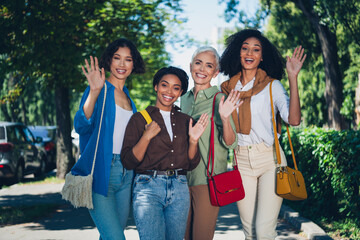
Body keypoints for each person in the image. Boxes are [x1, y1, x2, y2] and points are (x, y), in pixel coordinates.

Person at [219, 29, 306, 239]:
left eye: (256, 49)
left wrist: (293, 77)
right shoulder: (228, 89)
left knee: (264, 229)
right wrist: (223, 117)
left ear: (262, 56)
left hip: (270, 160)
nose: (250, 53)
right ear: (237, 53)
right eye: (245, 48)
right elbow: (229, 140)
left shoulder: (272, 86)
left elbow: (293, 120)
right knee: (249, 231)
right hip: (241, 161)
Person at [121, 66, 208, 240]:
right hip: (147, 188)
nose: (169, 91)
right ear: (156, 87)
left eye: (176, 88)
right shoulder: (139, 118)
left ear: (181, 92)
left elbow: (191, 164)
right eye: (164, 85)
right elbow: (128, 162)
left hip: (179, 188)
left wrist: (193, 141)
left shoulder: (186, 121)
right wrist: (146, 136)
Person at [72, 38, 145, 240]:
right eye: (117, 58)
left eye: (128, 59)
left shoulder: (128, 97)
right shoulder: (100, 89)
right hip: (102, 172)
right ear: (109, 61)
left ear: (133, 63)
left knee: (110, 236)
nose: (122, 64)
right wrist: (94, 91)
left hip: (126, 173)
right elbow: (81, 124)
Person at [180, 46, 241, 240]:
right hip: (181, 180)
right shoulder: (183, 99)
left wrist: (224, 118)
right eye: (198, 63)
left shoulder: (220, 99)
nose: (202, 69)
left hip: (207, 180)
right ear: (190, 66)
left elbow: (231, 143)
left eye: (209, 66)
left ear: (215, 73)